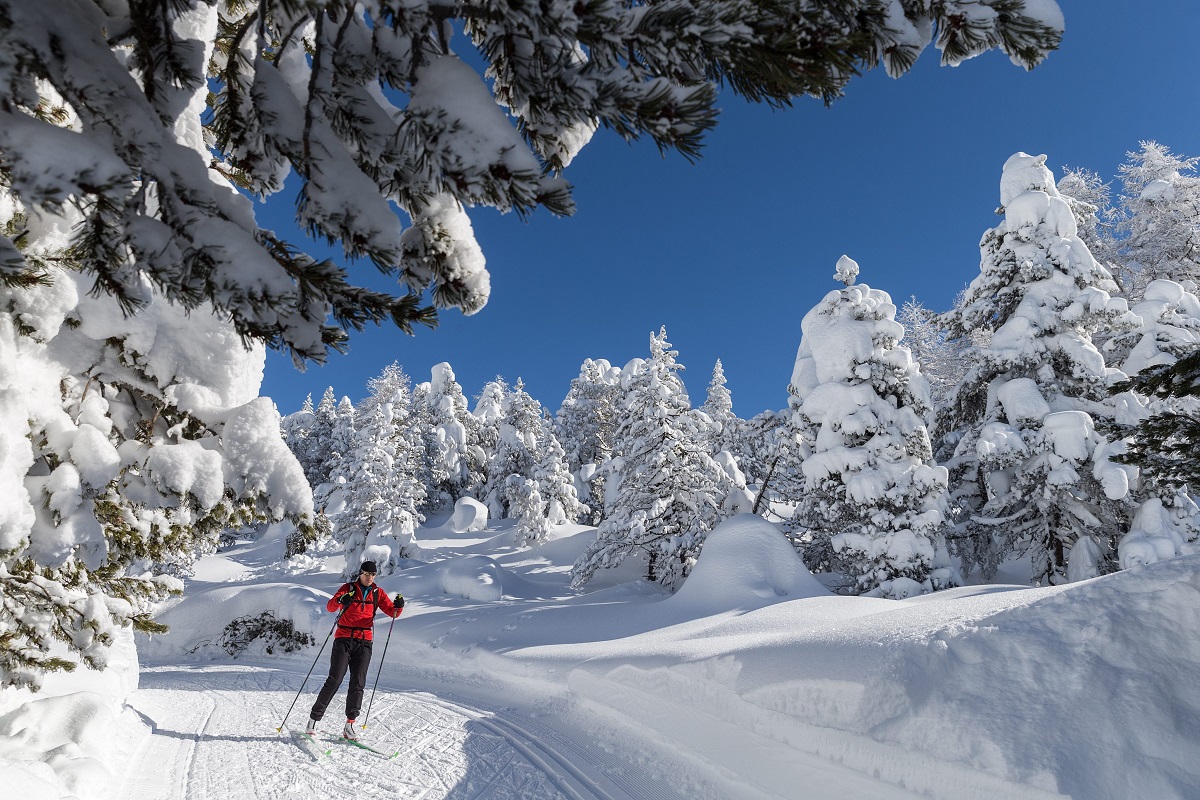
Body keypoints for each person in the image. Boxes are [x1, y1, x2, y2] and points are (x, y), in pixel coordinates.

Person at [306, 561, 404, 740]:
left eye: (373, 575)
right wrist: (340, 600)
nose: (370, 577)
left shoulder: (377, 593)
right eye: (367, 574)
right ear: (360, 573)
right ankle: (313, 721)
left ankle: (349, 726)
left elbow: (393, 613)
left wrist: (399, 606)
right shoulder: (348, 588)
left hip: (364, 642)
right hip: (343, 639)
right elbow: (330, 607)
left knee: (358, 683)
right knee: (335, 680)